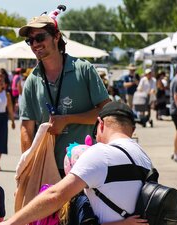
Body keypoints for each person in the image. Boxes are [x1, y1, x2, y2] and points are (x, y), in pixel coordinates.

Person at [0, 101, 152, 225]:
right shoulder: (144, 158)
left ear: (101, 124)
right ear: (132, 129)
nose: (96, 139)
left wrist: (12, 222)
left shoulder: (100, 153)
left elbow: (55, 196)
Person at [18, 6, 110, 176]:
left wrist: (67, 119)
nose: (35, 44)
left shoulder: (83, 69)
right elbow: (26, 129)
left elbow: (107, 113)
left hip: (84, 165)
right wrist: (27, 169)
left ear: (56, 36)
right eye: (31, 41)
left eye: (40, 37)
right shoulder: (32, 79)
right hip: (45, 167)